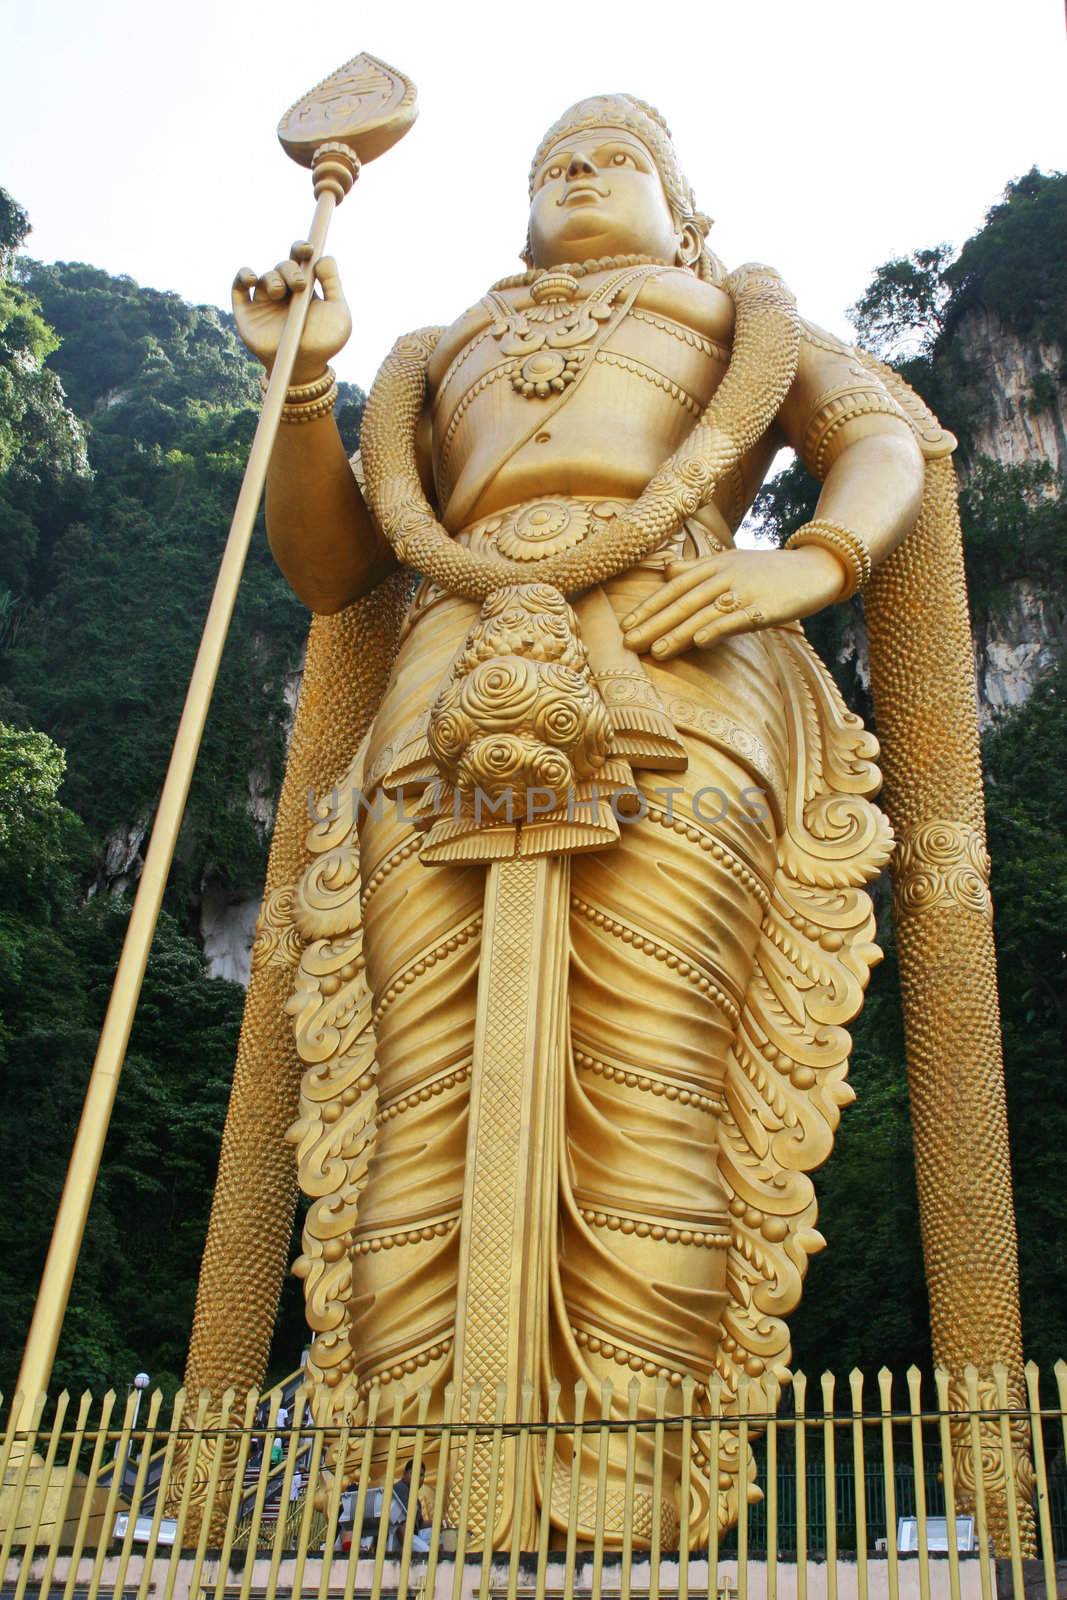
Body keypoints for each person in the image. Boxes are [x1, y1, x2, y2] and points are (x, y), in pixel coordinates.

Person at [233, 94, 928, 1544]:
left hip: (681, 656)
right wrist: (304, 386)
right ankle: (425, 1496)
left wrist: (805, 563)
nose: (578, 177)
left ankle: (630, 1483)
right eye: (551, 167)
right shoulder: (444, 351)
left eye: (616, 160)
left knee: (654, 1062)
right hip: (446, 672)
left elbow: (882, 442)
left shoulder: (739, 316)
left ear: (687, 209)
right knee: (425, 1078)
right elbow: (331, 567)